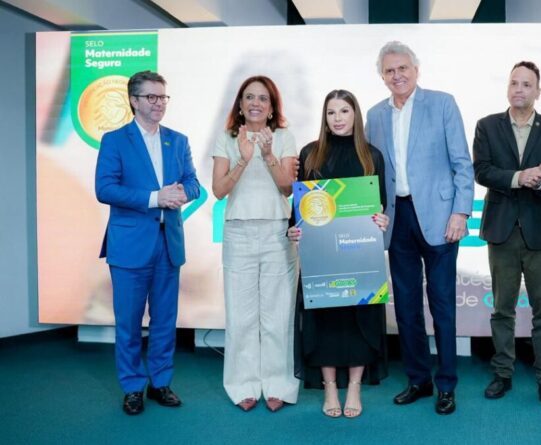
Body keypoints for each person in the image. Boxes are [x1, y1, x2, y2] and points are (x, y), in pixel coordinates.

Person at [365, 41, 474, 415]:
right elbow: (371, 172)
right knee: (407, 306)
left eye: (403, 68)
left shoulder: (443, 103)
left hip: (441, 218)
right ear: (382, 76)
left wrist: (460, 213)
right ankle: (418, 379)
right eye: (389, 71)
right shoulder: (375, 115)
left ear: (416, 69)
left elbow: (462, 163)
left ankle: (446, 384)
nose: (397, 75)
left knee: (442, 305)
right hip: (397, 220)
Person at [95, 70, 200, 415]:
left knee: (164, 319)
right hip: (129, 246)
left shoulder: (178, 139)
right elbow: (105, 189)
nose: (159, 104)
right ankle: (132, 387)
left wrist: (181, 193)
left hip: (168, 244)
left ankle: (160, 382)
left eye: (163, 97)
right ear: (134, 101)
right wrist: (156, 197)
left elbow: (194, 184)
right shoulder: (115, 140)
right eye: (152, 97)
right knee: (128, 322)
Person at [472, 61, 541, 405]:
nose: (519, 89)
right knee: (502, 309)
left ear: (537, 91)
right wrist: (518, 177)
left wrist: (540, 179)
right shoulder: (487, 126)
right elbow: (482, 171)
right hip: (502, 231)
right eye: (514, 83)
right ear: (507, 87)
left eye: (527, 84)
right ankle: (502, 373)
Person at [289, 89, 390, 419]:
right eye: (331, 112)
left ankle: (356, 386)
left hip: (360, 255)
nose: (338, 118)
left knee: (359, 319)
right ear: (325, 118)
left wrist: (381, 218)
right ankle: (331, 387)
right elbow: (300, 207)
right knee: (325, 321)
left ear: (355, 115)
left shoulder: (371, 155)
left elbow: (381, 204)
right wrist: (295, 228)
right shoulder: (310, 154)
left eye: (344, 111)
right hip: (322, 258)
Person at [210, 75, 300, 412]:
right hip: (239, 232)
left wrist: (268, 153)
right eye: (249, 97)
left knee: (278, 314)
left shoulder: (285, 137)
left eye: (263, 98)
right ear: (240, 104)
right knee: (241, 316)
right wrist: (245, 158)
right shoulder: (227, 138)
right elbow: (219, 190)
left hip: (278, 231)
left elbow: (288, 188)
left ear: (272, 105)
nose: (256, 103)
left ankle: (278, 384)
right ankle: (242, 385)